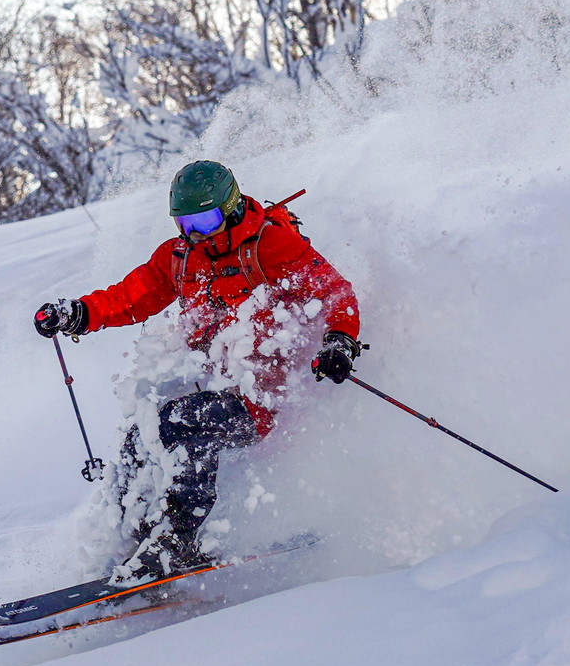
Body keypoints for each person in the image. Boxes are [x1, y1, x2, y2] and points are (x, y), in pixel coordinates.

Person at [34, 160, 361, 581]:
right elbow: (131, 296)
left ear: (230, 207)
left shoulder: (271, 245)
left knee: (175, 426)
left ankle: (177, 543)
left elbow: (335, 290)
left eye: (204, 220)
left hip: (270, 394)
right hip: (222, 387)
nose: (195, 233)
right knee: (142, 435)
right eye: (184, 223)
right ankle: (129, 536)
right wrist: (78, 313)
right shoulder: (181, 257)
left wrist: (340, 342)